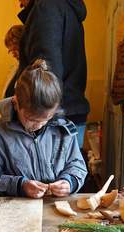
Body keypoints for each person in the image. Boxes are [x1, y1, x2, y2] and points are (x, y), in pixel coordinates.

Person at [0, 59, 87, 198]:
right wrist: (20, 185)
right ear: (16, 103)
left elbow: (77, 165)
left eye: (46, 120)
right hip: (17, 209)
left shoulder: (63, 128)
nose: (38, 125)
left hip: (57, 204)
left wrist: (69, 182)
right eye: (31, 119)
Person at [11, 0, 90, 148]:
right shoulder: (61, 6)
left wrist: (32, 118)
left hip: (51, 119)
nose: (18, 2)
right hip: (64, 112)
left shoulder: (46, 7)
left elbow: (46, 72)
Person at [2, 24, 23, 98]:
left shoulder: (33, 69)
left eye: (15, 49)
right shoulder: (14, 69)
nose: (13, 55)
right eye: (11, 51)